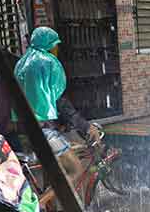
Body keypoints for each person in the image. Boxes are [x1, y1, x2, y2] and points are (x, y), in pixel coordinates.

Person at [13, 27, 100, 192]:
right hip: (43, 130)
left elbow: (38, 99)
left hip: (22, 127)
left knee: (53, 168)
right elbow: (60, 101)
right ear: (48, 45)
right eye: (55, 45)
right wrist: (86, 127)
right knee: (75, 168)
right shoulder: (47, 63)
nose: (56, 49)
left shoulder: (22, 63)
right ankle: (41, 204)